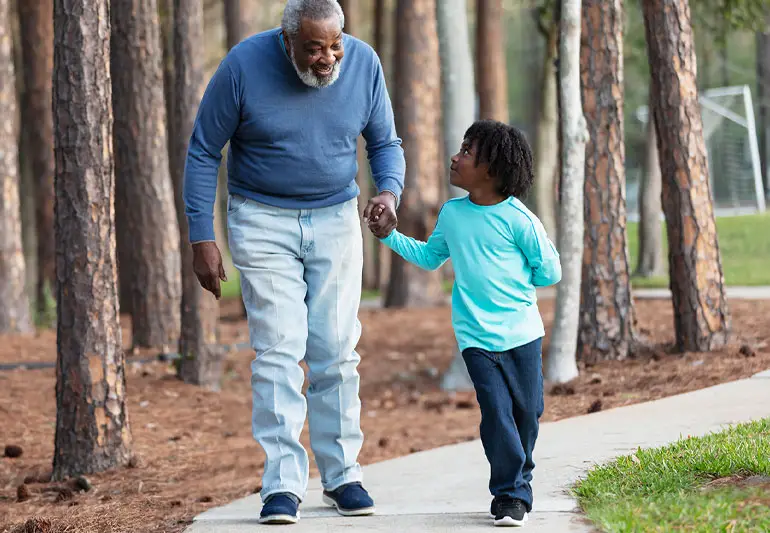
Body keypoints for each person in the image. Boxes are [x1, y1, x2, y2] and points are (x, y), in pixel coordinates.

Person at [183, 0, 404, 524]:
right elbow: (202, 151)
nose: (327, 58)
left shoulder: (364, 64)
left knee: (334, 349)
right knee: (279, 350)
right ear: (287, 42)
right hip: (261, 219)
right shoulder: (243, 65)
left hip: (335, 218)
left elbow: (385, 143)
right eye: (313, 48)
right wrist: (201, 237)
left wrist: (389, 194)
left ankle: (342, 474)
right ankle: (281, 484)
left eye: (334, 46)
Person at [368, 120, 561, 527]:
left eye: (468, 151)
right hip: (476, 337)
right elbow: (429, 257)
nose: (456, 157)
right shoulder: (453, 215)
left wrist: (517, 285)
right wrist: (389, 236)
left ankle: (518, 478)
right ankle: (510, 495)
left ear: (490, 169)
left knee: (528, 413)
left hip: (523, 334)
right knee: (496, 413)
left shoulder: (519, 220)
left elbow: (550, 272)